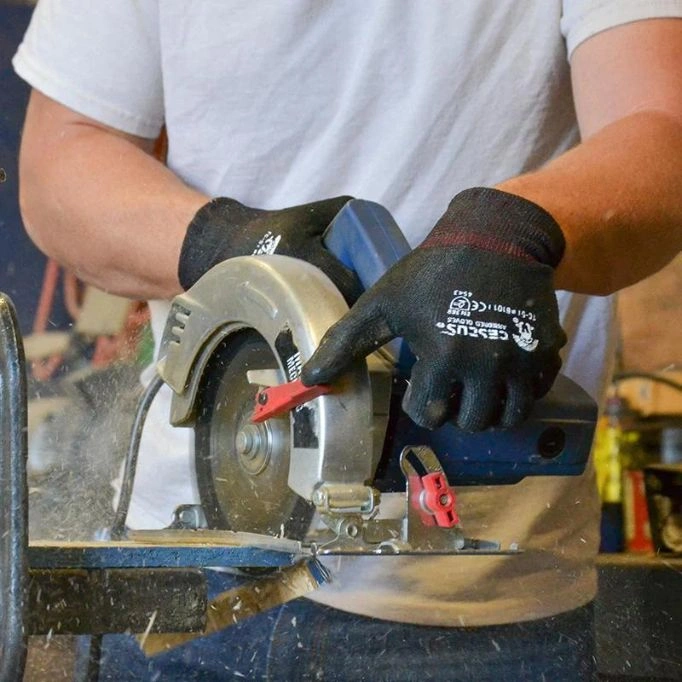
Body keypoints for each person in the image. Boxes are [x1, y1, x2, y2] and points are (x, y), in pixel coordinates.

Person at [13, 2, 682, 680]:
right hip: (184, 568)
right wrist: (224, 243)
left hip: (470, 605)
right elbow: (61, 155)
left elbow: (661, 126)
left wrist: (512, 232)